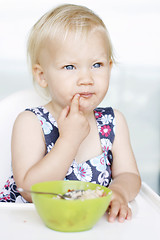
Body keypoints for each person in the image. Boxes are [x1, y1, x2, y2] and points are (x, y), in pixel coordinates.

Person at [0, 4, 141, 223]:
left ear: (110, 67)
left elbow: (129, 175)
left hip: (90, 225)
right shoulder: (30, 122)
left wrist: (119, 192)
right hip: (29, 225)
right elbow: (29, 190)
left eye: (97, 64)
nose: (86, 78)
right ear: (42, 75)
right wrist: (69, 141)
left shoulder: (113, 122)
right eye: (69, 67)